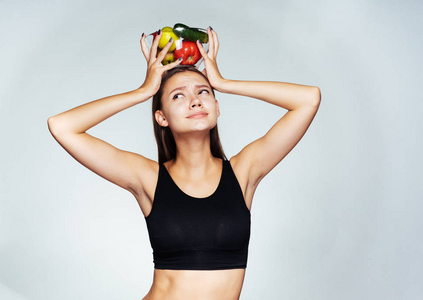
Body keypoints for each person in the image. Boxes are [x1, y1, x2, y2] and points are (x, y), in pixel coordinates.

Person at [47, 27, 321, 300]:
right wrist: (143, 91)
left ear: (216, 106)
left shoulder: (243, 172)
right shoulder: (148, 179)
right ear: (161, 117)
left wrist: (224, 83)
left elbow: (308, 100)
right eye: (178, 96)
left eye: (203, 92)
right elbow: (62, 127)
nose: (194, 101)